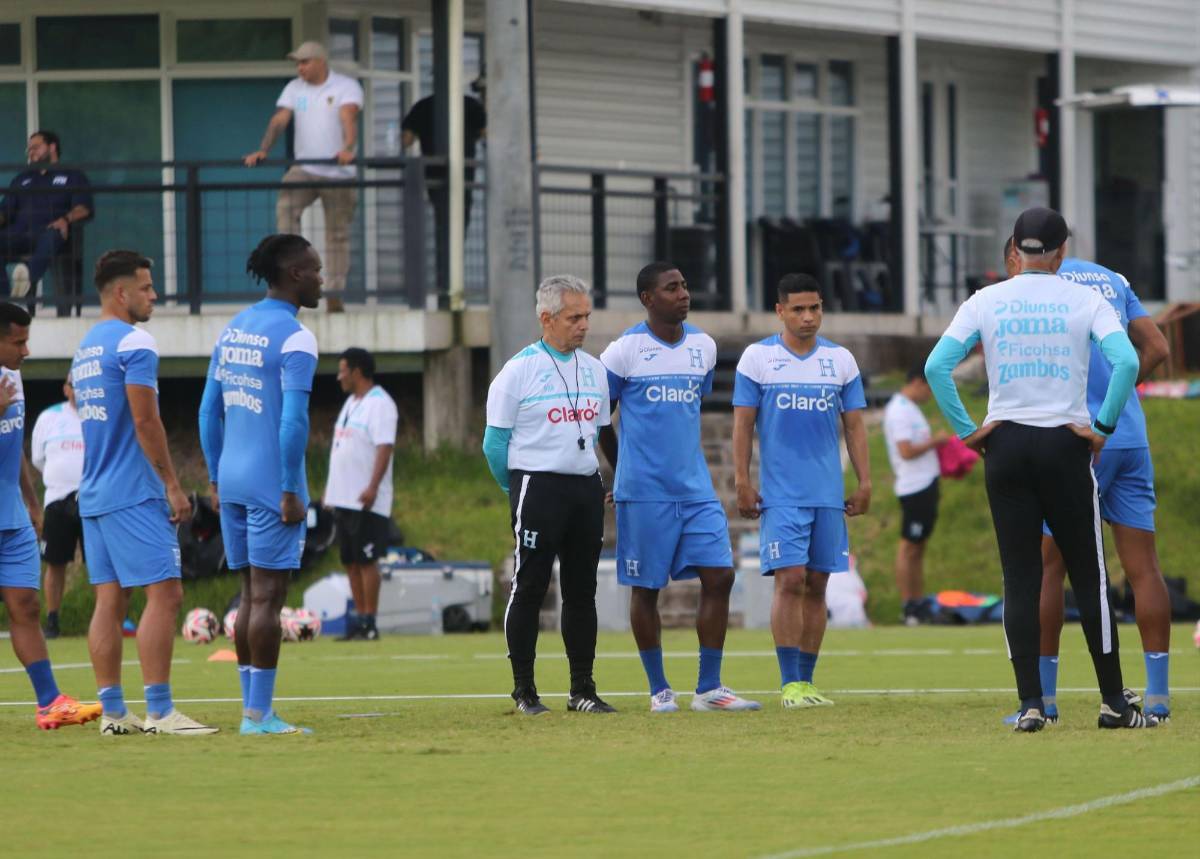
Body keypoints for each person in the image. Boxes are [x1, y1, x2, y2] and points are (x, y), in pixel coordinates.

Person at [925, 207, 1152, 731]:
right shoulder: (1084, 298)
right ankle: (1114, 703)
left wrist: (967, 431)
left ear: (1015, 250)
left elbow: (937, 366)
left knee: (1020, 577)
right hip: (1064, 444)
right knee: (1090, 577)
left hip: (1004, 445)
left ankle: (1031, 705)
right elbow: (1129, 362)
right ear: (1061, 250)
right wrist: (1103, 427)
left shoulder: (987, 299)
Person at [1000, 239, 1174, 723]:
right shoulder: (1111, 278)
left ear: (1018, 255)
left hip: (1076, 438)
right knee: (1143, 568)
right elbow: (1155, 347)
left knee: (1048, 567)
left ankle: (1045, 700)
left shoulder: (1041, 286)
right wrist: (1117, 401)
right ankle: (1158, 696)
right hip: (1128, 434)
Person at [597, 262, 759, 713]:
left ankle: (709, 688)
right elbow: (598, 419)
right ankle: (659, 690)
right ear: (648, 299)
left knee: (720, 576)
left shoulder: (703, 348)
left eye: (685, 285)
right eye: (672, 288)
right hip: (643, 491)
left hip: (696, 489)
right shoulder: (623, 351)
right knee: (647, 589)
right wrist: (622, 470)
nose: (684, 294)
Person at [72, 250, 215, 735]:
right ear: (121, 293)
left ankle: (113, 713)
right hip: (132, 491)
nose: (155, 296)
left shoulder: (87, 346)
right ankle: (159, 711)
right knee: (167, 593)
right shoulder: (135, 342)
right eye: (147, 287)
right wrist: (173, 486)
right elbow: (145, 419)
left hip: (92, 492)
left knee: (109, 602)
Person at [199, 234, 321, 735]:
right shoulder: (296, 338)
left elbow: (209, 411)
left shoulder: (234, 328)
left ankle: (252, 710)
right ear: (293, 274)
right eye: (315, 270)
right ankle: (259, 715)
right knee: (269, 597)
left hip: (232, 478)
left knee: (250, 594)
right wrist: (291, 488)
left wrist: (212, 476)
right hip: (273, 482)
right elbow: (293, 423)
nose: (321, 278)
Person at [732, 273, 871, 708]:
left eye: (814, 308)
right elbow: (742, 424)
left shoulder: (841, 361)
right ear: (780, 311)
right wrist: (742, 479)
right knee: (790, 580)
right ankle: (789, 683)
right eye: (798, 309)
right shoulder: (758, 359)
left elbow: (854, 425)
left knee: (817, 584)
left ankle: (807, 682)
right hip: (782, 494)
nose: (808, 317)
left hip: (827, 494)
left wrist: (865, 482)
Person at [482, 274, 614, 715]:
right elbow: (494, 444)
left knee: (582, 591)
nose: (583, 326)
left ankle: (583, 689)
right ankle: (525, 691)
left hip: (583, 487)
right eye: (573, 318)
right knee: (531, 587)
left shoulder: (595, 370)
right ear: (546, 318)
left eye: (586, 316)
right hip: (537, 487)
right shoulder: (518, 371)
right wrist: (515, 488)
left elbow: (597, 432)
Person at [0, 302, 101, 730]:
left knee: (26, 605)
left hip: (12, 515)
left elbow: (15, 446)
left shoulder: (14, 379)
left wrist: (32, 501)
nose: (26, 350)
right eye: (18, 341)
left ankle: (49, 702)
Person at [244, 42, 362, 313]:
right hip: (305, 168)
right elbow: (279, 120)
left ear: (321, 62)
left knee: (337, 235)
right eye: (298, 63)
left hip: (338, 173)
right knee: (286, 208)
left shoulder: (345, 86)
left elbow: (348, 118)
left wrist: (347, 148)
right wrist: (263, 150)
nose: (301, 68)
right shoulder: (296, 88)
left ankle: (333, 293)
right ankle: (289, 274)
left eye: (305, 62)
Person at [324, 347, 398, 641]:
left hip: (367, 500)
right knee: (350, 560)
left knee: (367, 560)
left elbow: (384, 447)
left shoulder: (380, 404)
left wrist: (372, 487)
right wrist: (331, 493)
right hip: (343, 499)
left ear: (356, 371)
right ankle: (360, 618)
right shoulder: (351, 403)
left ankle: (371, 621)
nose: (339, 375)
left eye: (343, 369)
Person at [882, 362, 950, 625]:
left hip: (925, 484)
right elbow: (906, 451)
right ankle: (908, 605)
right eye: (929, 389)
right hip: (914, 486)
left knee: (918, 547)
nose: (930, 395)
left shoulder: (910, 409)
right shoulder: (900, 411)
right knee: (909, 546)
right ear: (918, 383)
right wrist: (937, 441)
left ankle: (918, 602)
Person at [0, 131, 92, 305]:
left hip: (52, 235)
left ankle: (27, 278)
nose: (31, 152)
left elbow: (84, 208)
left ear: (52, 147)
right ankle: (5, 300)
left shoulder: (72, 175)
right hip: (19, 235)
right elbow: (4, 211)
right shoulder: (22, 179)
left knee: (54, 232)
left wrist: (65, 219)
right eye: (28, 149)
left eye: (35, 147)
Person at [30, 373, 84, 639]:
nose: (78, 391)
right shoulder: (49, 417)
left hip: (91, 499)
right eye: (74, 385)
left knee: (99, 563)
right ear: (65, 389)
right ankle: (52, 619)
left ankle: (110, 616)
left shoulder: (97, 416)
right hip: (57, 500)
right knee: (54, 562)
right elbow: (38, 458)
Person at [401, 79, 488, 231]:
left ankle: (445, 250)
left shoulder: (423, 106)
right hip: (463, 170)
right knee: (461, 215)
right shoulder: (470, 104)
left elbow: (406, 140)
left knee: (441, 214)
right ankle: (453, 251)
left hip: (433, 171)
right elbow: (486, 133)